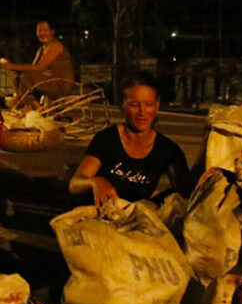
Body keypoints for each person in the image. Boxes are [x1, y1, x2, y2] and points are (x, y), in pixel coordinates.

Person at [69, 71, 192, 205]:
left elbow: (186, 193)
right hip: (99, 215)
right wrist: (96, 182)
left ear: (157, 104)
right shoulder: (107, 139)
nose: (142, 112)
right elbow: (75, 184)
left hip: (136, 217)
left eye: (149, 104)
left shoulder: (168, 149)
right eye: (134, 105)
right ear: (122, 105)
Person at [0, 20, 75, 107]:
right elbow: (33, 68)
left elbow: (40, 68)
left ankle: (34, 107)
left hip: (61, 84)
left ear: (52, 32)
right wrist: (12, 68)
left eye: (45, 30)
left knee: (26, 77)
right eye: (39, 31)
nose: (42, 33)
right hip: (48, 80)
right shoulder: (41, 49)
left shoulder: (56, 46)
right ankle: (24, 103)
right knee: (18, 79)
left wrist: (14, 66)